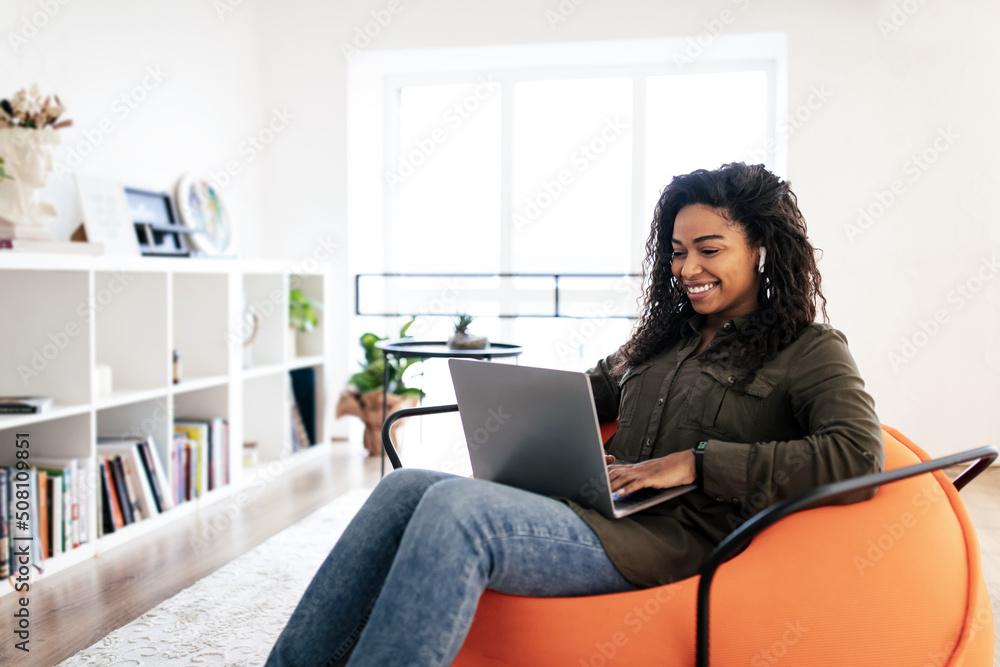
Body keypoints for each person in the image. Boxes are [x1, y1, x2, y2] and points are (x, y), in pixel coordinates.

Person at [264, 162, 885, 666]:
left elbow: (859, 454)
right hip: (596, 507)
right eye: (675, 251)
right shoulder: (660, 341)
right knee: (404, 487)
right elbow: (589, 392)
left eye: (708, 249)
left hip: (667, 542)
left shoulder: (809, 348)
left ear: (762, 251)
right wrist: (523, 403)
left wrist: (694, 465)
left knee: (460, 512)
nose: (686, 269)